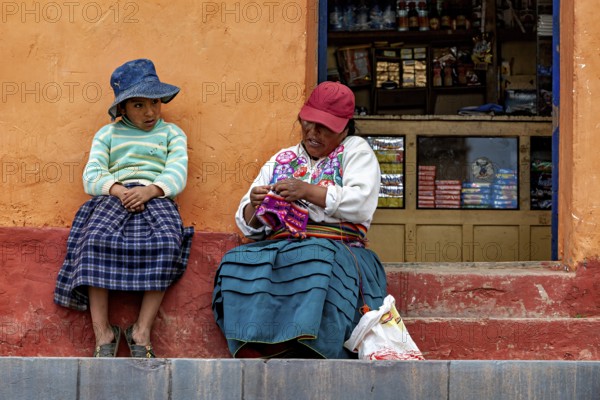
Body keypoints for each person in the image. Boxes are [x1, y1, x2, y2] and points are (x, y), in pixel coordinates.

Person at [212, 81, 388, 359]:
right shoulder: (283, 159)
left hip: (337, 247)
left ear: (345, 127)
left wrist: (306, 191)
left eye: (324, 127)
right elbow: (246, 221)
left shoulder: (356, 151)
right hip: (281, 245)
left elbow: (360, 203)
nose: (313, 133)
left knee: (316, 258)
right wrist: (256, 207)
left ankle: (306, 347)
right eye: (308, 123)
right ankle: (259, 345)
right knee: (236, 261)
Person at [54, 59, 194, 358]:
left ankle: (141, 331)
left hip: (156, 198)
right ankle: (103, 333)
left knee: (168, 242)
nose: (151, 112)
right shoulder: (108, 135)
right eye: (139, 106)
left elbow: (177, 171)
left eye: (155, 102)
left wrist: (151, 190)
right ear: (123, 109)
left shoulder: (172, 134)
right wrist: (118, 190)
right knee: (93, 243)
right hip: (113, 199)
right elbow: (92, 176)